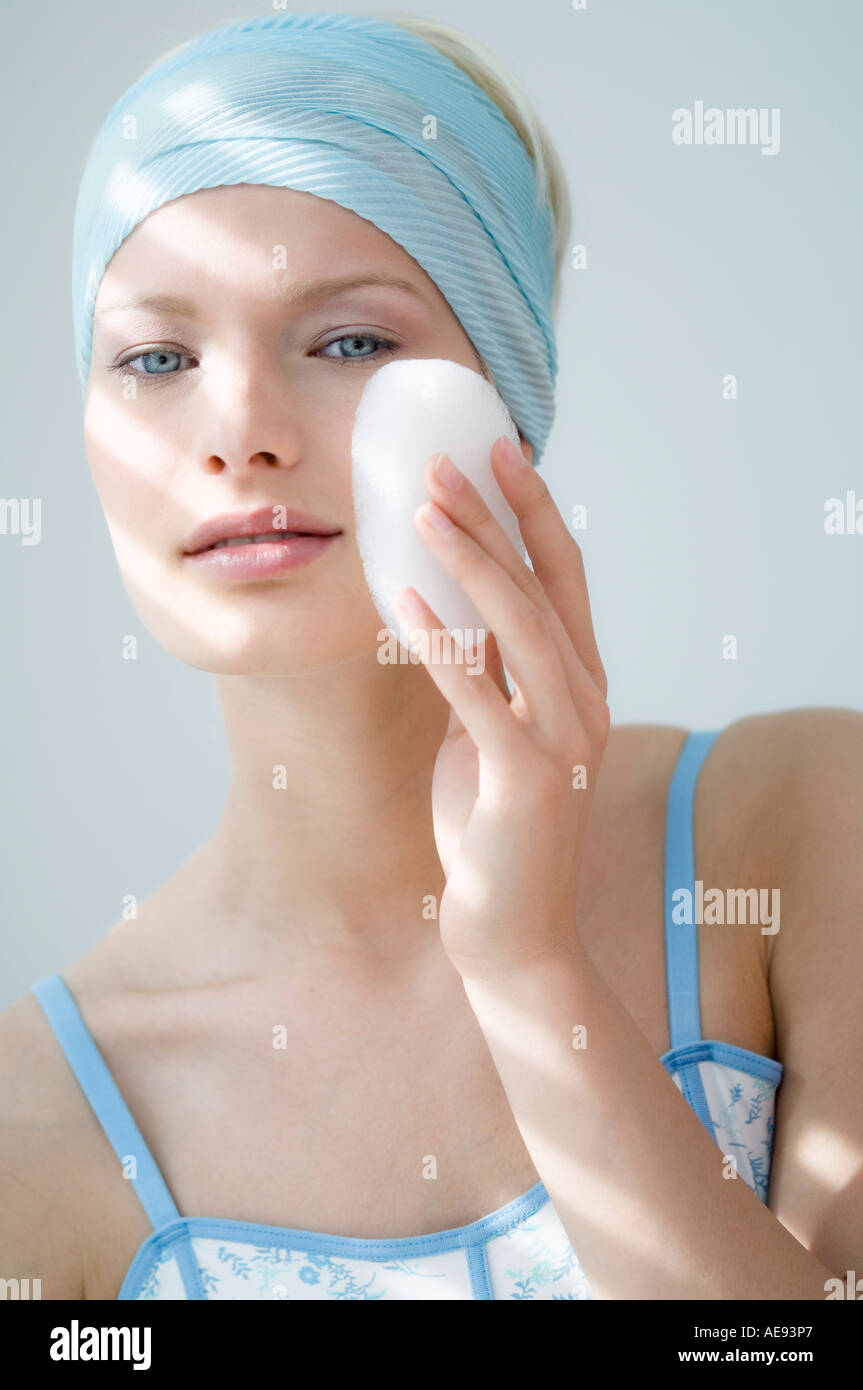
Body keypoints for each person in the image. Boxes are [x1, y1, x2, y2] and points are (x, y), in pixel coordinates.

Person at [1, 10, 861, 1302]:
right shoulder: (37, 1114)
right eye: (156, 355)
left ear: (507, 396)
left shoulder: (799, 814)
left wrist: (525, 960)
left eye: (349, 339)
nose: (235, 431)